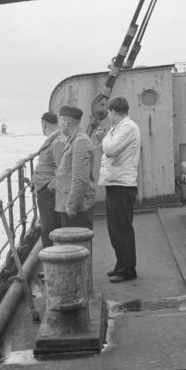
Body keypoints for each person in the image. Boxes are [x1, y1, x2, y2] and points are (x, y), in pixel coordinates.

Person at [96, 96, 141, 282]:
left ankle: (128, 270)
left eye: (109, 113)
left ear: (114, 112)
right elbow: (110, 146)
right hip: (115, 183)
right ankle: (120, 264)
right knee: (115, 228)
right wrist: (107, 136)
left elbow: (110, 150)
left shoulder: (128, 127)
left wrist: (102, 137)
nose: (108, 116)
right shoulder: (119, 128)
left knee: (121, 229)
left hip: (122, 184)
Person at [55, 106, 96, 229]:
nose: (59, 125)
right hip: (70, 205)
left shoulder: (80, 142)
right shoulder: (73, 141)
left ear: (66, 122)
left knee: (76, 247)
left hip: (77, 209)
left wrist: (71, 207)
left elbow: (80, 178)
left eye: (60, 121)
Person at [32, 111, 67, 248]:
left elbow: (63, 167)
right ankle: (51, 262)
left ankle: (50, 263)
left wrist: (50, 185)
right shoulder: (56, 139)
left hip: (48, 192)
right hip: (45, 189)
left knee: (49, 228)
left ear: (44, 124)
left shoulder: (57, 141)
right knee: (49, 226)